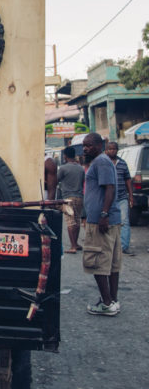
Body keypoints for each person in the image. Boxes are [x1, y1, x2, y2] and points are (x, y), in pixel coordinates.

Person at [82, 133, 122, 316]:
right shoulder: (102, 161)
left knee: (97, 262)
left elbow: (109, 188)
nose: (85, 149)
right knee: (111, 264)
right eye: (84, 145)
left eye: (89, 145)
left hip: (101, 221)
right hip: (106, 219)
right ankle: (112, 300)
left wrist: (103, 215)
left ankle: (106, 303)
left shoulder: (101, 161)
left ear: (99, 145)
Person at [105, 141, 135, 256]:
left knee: (124, 222)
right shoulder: (103, 163)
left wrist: (131, 196)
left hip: (122, 197)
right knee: (109, 222)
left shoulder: (122, 163)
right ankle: (110, 245)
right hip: (108, 199)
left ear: (117, 150)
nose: (112, 151)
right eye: (110, 149)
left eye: (114, 149)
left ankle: (124, 246)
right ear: (106, 150)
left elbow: (128, 180)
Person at [58, 146, 85, 253]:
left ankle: (73, 246)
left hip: (68, 197)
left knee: (70, 221)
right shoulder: (80, 168)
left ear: (65, 156)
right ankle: (76, 243)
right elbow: (83, 181)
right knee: (77, 221)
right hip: (79, 196)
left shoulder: (63, 168)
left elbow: (56, 180)